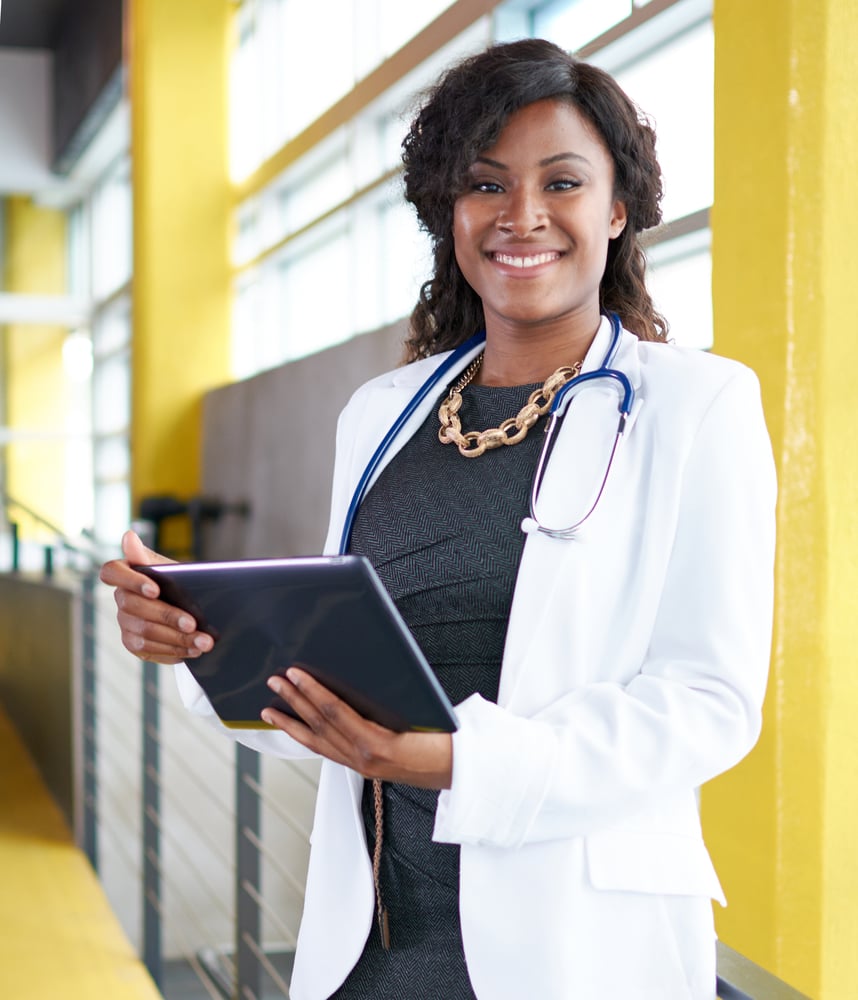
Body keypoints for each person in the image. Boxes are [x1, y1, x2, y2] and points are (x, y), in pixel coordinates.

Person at [101, 38, 776, 1000]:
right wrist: (198, 640)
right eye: (486, 184)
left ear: (618, 208)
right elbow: (344, 675)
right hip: (374, 940)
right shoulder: (383, 412)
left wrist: (463, 764)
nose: (522, 216)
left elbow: (709, 703)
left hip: (574, 946)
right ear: (447, 212)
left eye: (563, 182)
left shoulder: (696, 406)